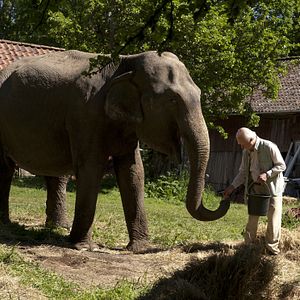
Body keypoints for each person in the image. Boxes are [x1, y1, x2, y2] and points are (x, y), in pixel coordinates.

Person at [224, 127, 286, 255]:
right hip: (255, 189)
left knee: (273, 220)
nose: (242, 147)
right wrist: (232, 187)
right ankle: (248, 246)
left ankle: (272, 249)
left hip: (272, 189)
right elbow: (242, 173)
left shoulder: (268, 146)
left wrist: (268, 174)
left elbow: (281, 165)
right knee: (252, 219)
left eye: (243, 144)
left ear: (252, 140)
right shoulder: (246, 152)